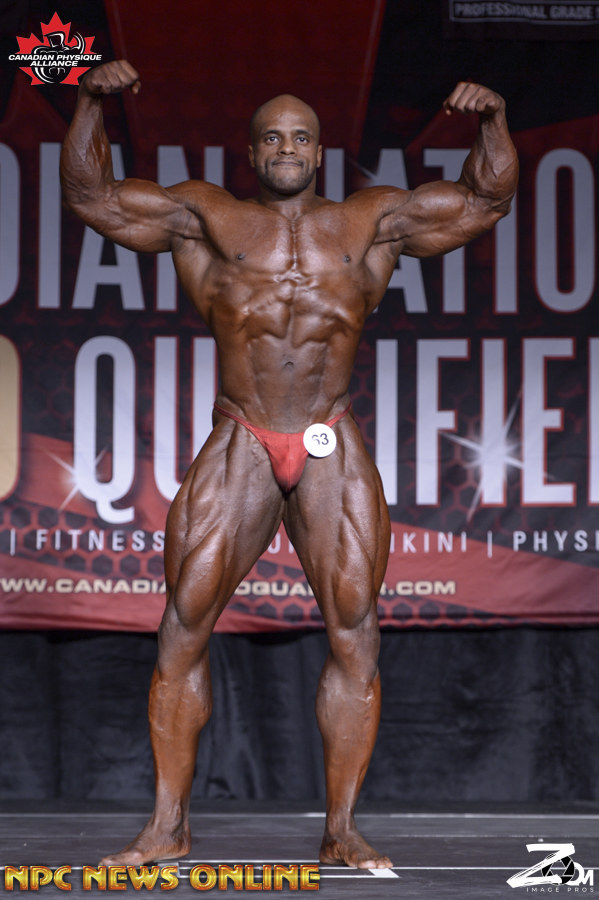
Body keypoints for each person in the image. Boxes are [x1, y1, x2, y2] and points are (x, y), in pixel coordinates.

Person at [60, 60, 518, 869]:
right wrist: (90, 103)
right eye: (271, 138)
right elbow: (92, 197)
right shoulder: (206, 217)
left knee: (355, 632)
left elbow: (485, 201)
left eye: (300, 138)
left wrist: (492, 121)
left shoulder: (370, 222)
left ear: (318, 151)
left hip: (329, 435)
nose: (286, 149)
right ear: (251, 151)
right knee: (182, 627)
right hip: (242, 434)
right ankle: (167, 827)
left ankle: (341, 830)